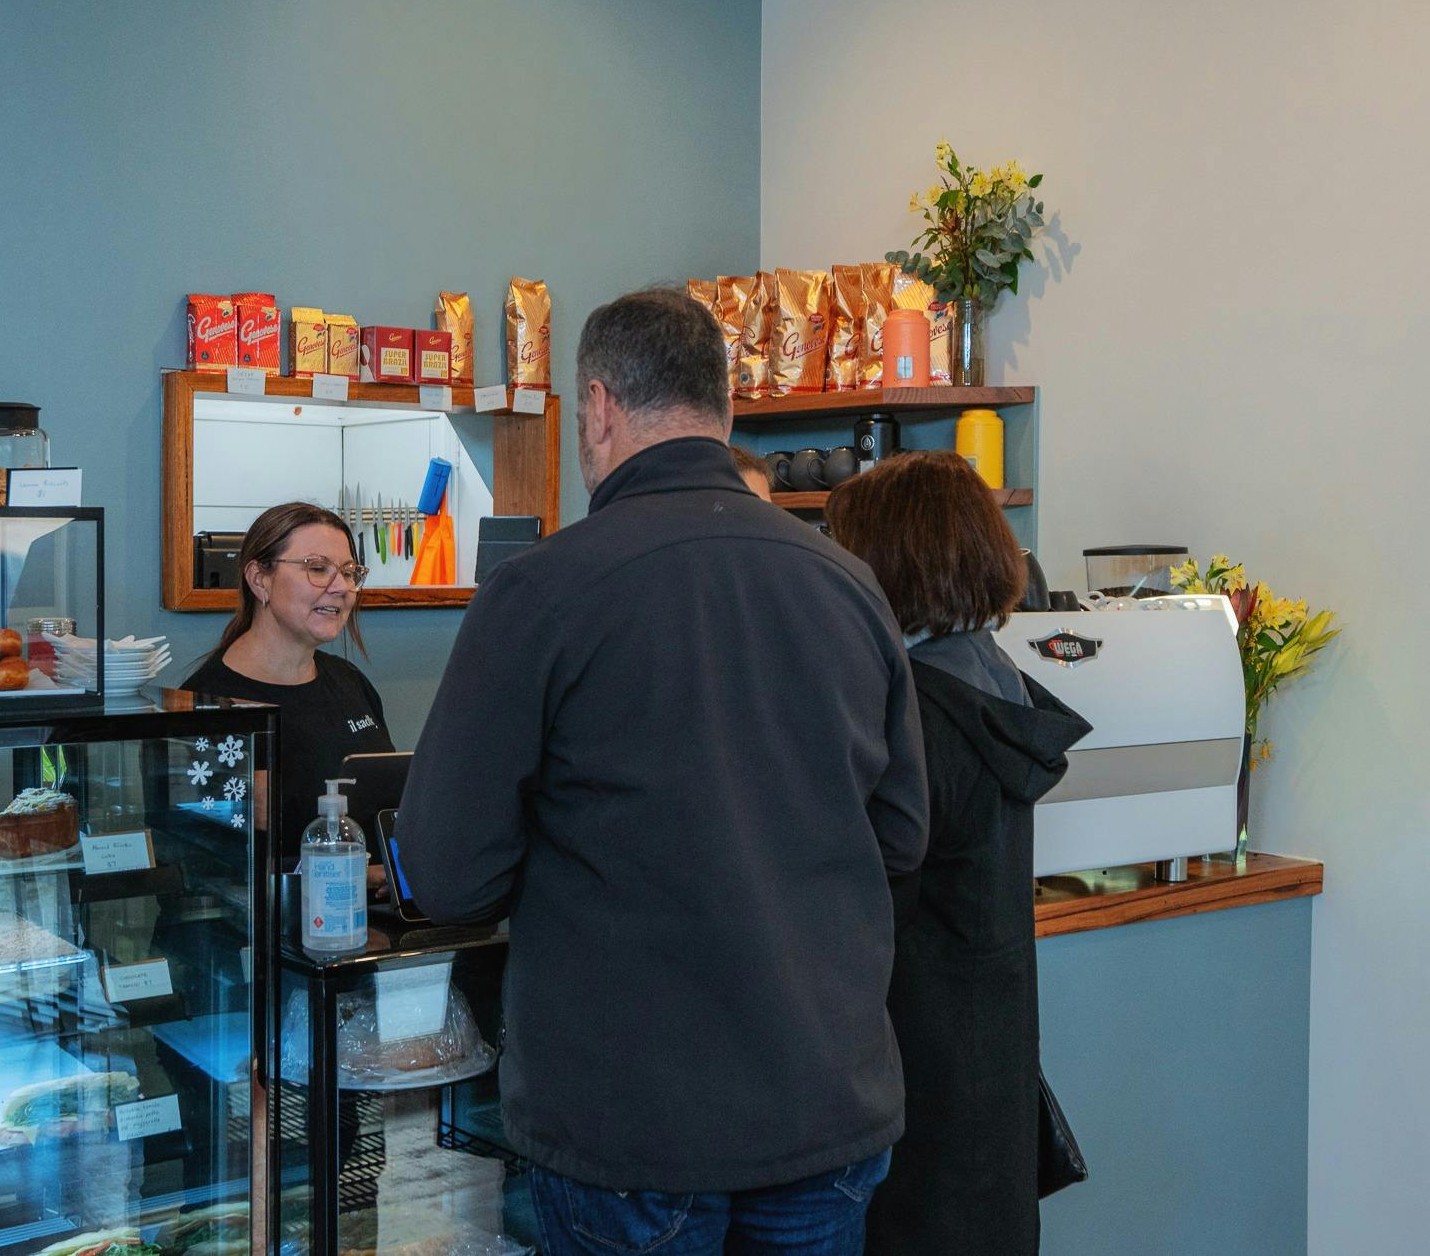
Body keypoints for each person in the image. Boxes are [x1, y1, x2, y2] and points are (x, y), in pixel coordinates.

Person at [397, 289, 928, 1255]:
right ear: (722, 406)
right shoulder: (849, 584)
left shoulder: (539, 591)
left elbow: (447, 872)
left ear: (598, 408)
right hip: (828, 1104)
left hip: (631, 1126)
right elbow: (898, 839)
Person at [825, 452, 1090, 1256]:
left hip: (919, 1103)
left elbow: (859, 911)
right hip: (990, 1095)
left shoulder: (919, 717)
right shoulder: (998, 684)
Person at [182, 501, 391, 852]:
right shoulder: (204, 705)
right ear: (259, 579)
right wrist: (340, 869)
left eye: (349, 571)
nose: (341, 586)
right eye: (318, 568)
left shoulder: (350, 681)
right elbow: (203, 861)